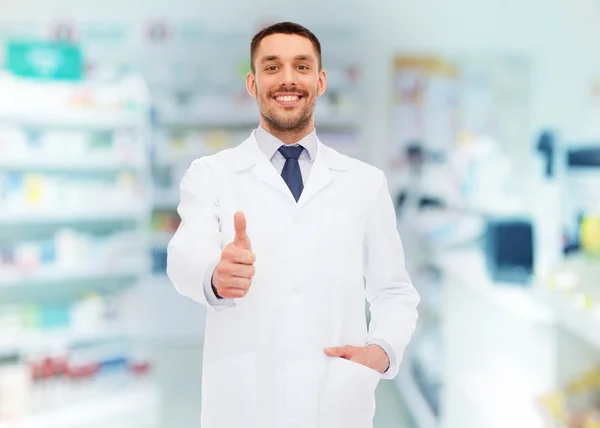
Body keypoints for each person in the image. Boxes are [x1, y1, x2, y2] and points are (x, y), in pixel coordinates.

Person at [167, 21, 420, 428]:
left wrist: (383, 350)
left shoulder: (366, 182)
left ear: (320, 81)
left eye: (302, 67)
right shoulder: (212, 174)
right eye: (272, 67)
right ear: (252, 84)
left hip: (336, 404)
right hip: (246, 404)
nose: (288, 79)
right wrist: (215, 275)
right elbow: (184, 254)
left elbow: (394, 290)